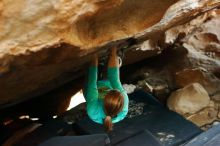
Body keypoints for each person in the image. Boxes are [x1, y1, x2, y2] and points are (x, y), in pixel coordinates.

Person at [83, 47, 129, 132]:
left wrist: (94, 53)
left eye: (110, 92)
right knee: (109, 70)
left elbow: (92, 82)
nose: (119, 90)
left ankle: (99, 65)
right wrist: (113, 49)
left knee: (90, 72)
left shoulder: (93, 110)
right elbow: (114, 78)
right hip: (107, 83)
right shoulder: (124, 106)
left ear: (104, 99)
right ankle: (111, 59)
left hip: (92, 93)